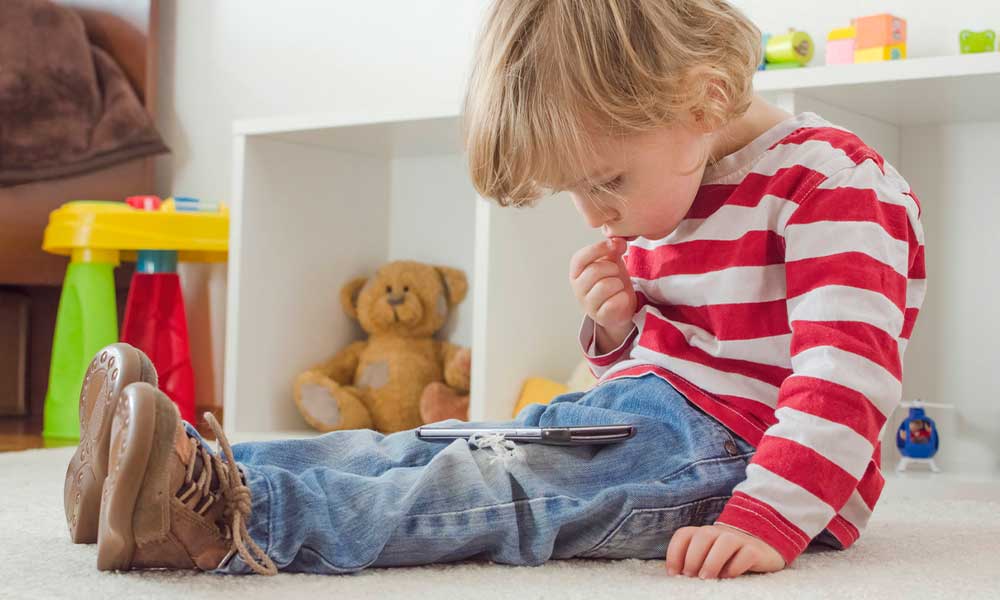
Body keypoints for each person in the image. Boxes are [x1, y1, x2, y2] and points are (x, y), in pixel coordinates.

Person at [63, 0, 925, 580]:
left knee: (492, 490)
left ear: (702, 101)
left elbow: (846, 377)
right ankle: (182, 473)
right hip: (653, 420)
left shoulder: (835, 186)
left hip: (740, 461)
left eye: (606, 181)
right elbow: (670, 357)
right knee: (440, 442)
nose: (595, 212)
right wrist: (612, 330)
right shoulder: (672, 181)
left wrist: (765, 517)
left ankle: (237, 520)